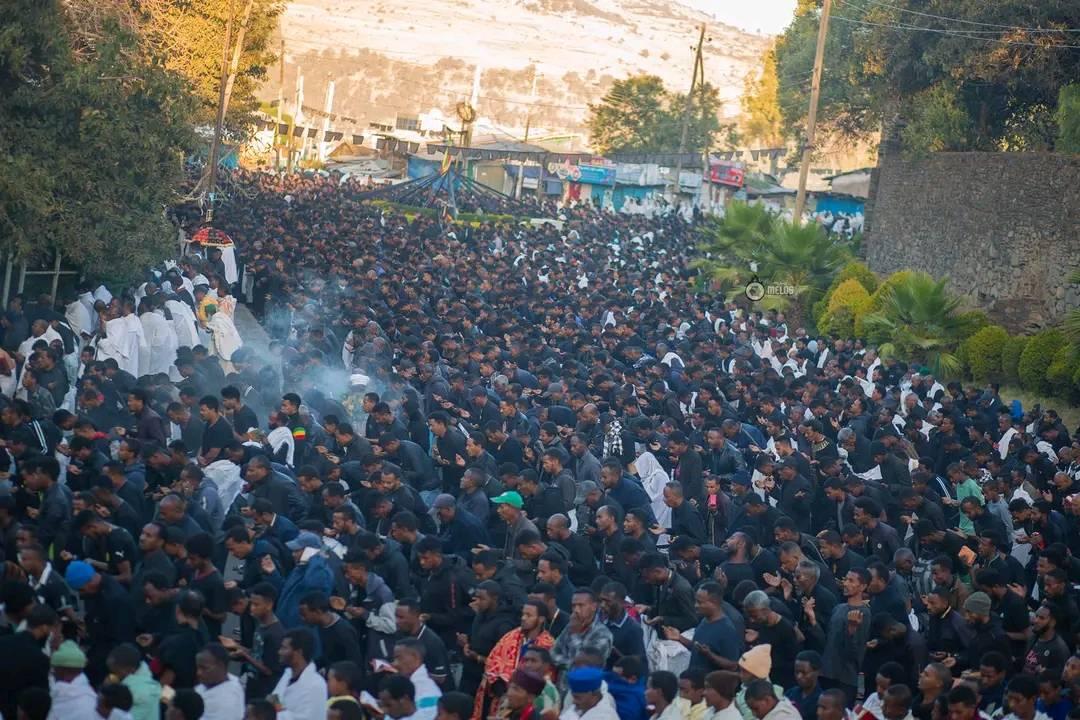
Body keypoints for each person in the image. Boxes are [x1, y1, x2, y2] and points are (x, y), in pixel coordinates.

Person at [271, 628, 328, 720]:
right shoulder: (287, 674)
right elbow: (273, 699)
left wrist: (279, 712)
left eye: (284, 648)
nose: (279, 652)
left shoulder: (316, 685)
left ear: (298, 652)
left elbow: (309, 717)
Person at [48, 640, 98, 719]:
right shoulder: (89, 696)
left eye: (54, 670)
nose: (53, 674)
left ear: (62, 671)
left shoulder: (86, 703)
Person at [194, 643, 245, 720]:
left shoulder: (226, 702)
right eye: (198, 667)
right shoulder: (221, 681)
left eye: (204, 668)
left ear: (221, 666)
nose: (198, 673)